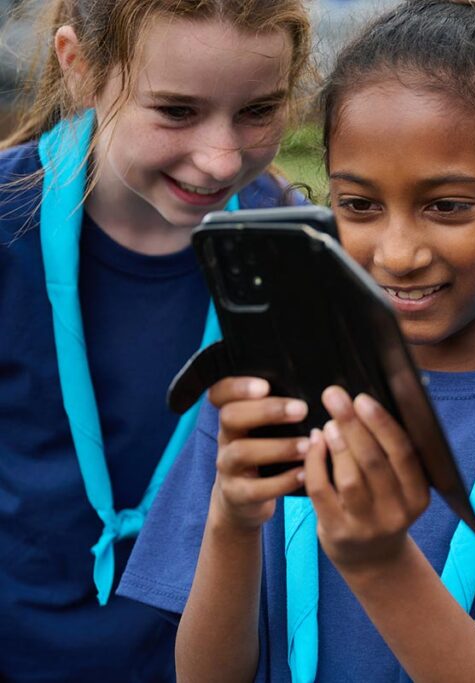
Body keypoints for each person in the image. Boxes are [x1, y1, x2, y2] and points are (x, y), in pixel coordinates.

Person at [118, 0, 475, 681]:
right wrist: (232, 519)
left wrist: (379, 562)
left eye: (447, 206)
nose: (397, 252)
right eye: (359, 205)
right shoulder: (269, 384)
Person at [0, 1, 312, 680]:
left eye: (259, 111)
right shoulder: (8, 225)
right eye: (176, 111)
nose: (221, 157)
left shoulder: (302, 254)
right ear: (78, 66)